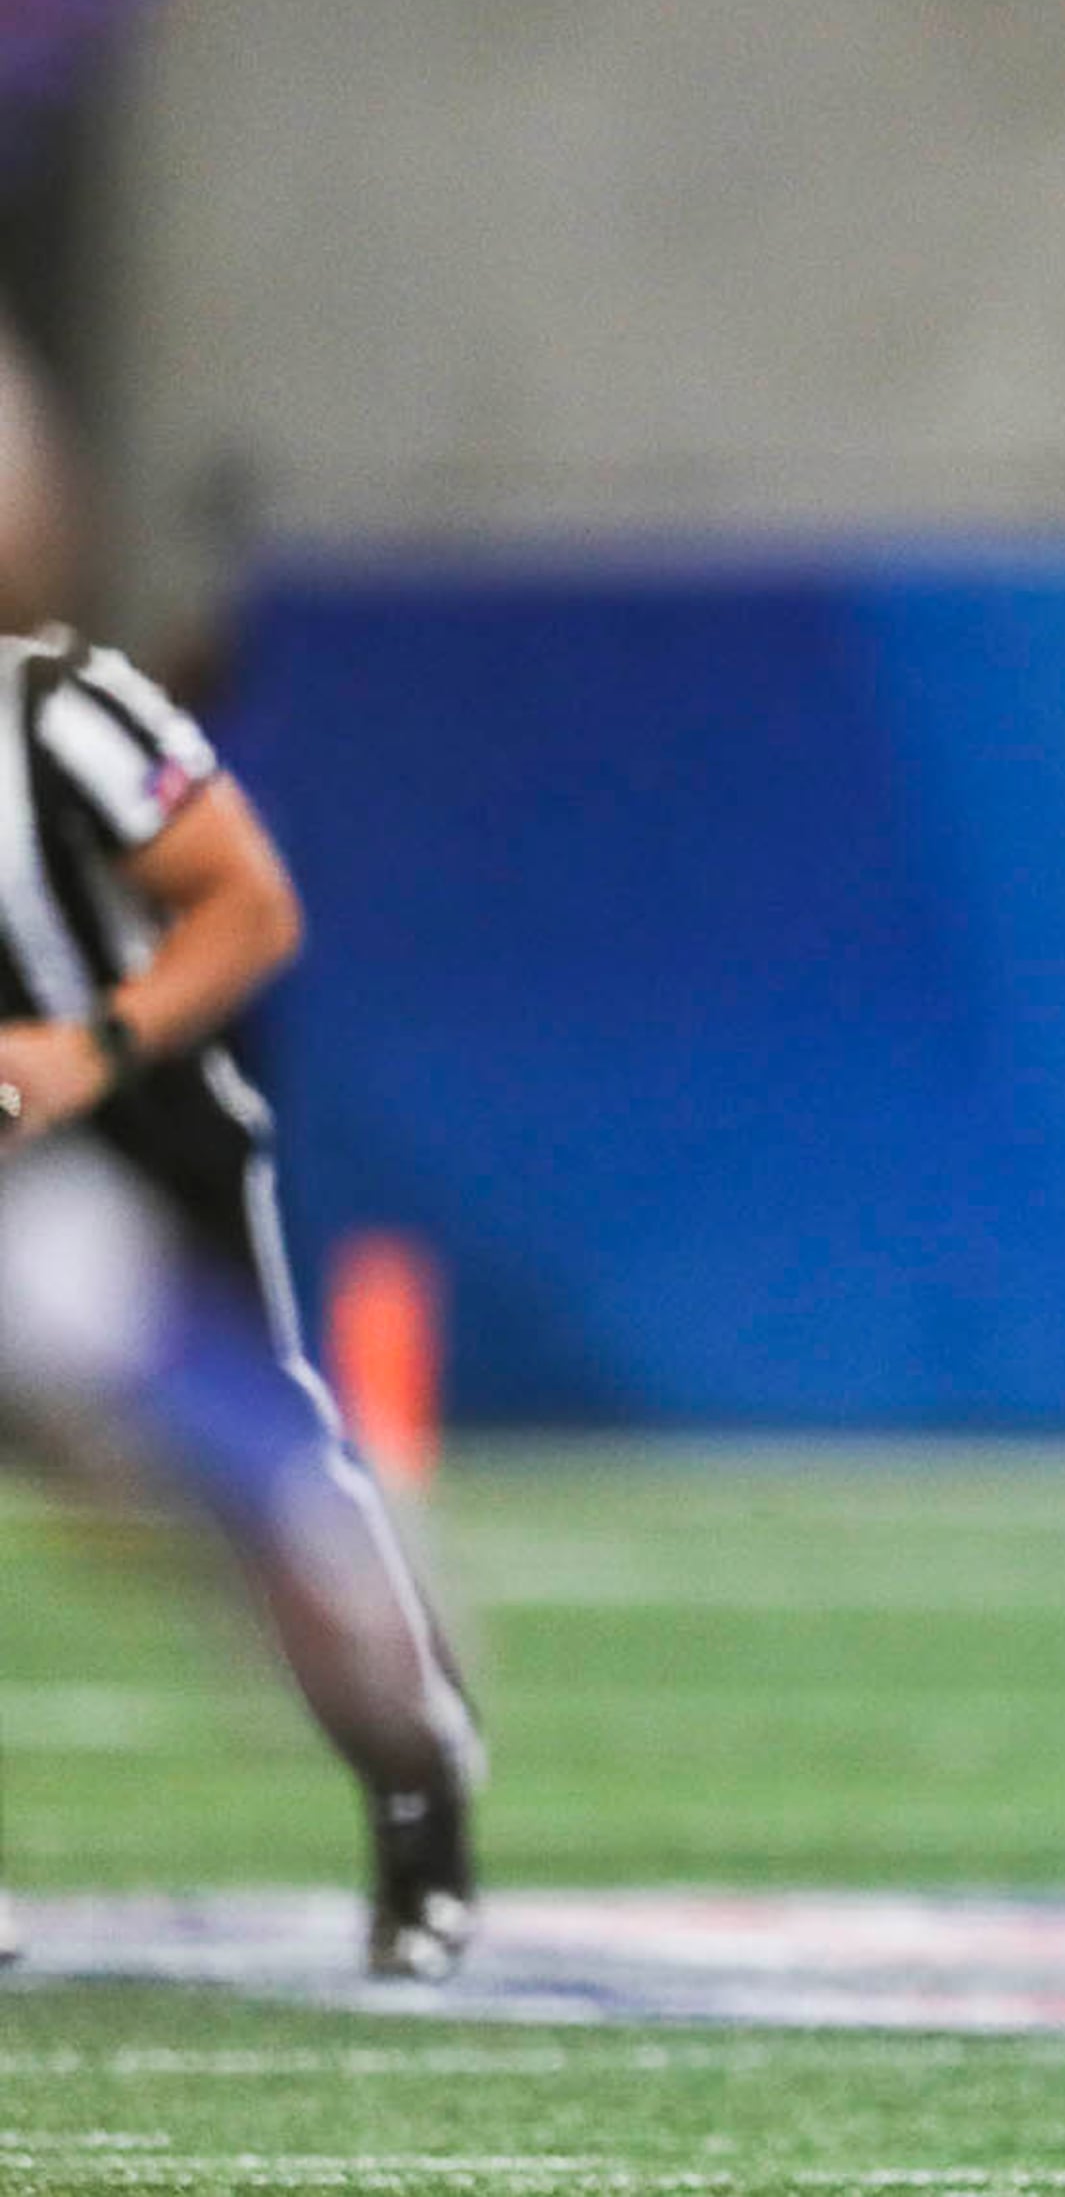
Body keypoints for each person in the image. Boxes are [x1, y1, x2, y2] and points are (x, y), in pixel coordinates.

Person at [0, 629, 484, 1977]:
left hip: (117, 1172)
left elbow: (252, 901)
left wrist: (84, 1046)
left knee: (301, 1557)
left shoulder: (56, 714)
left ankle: (414, 1797)